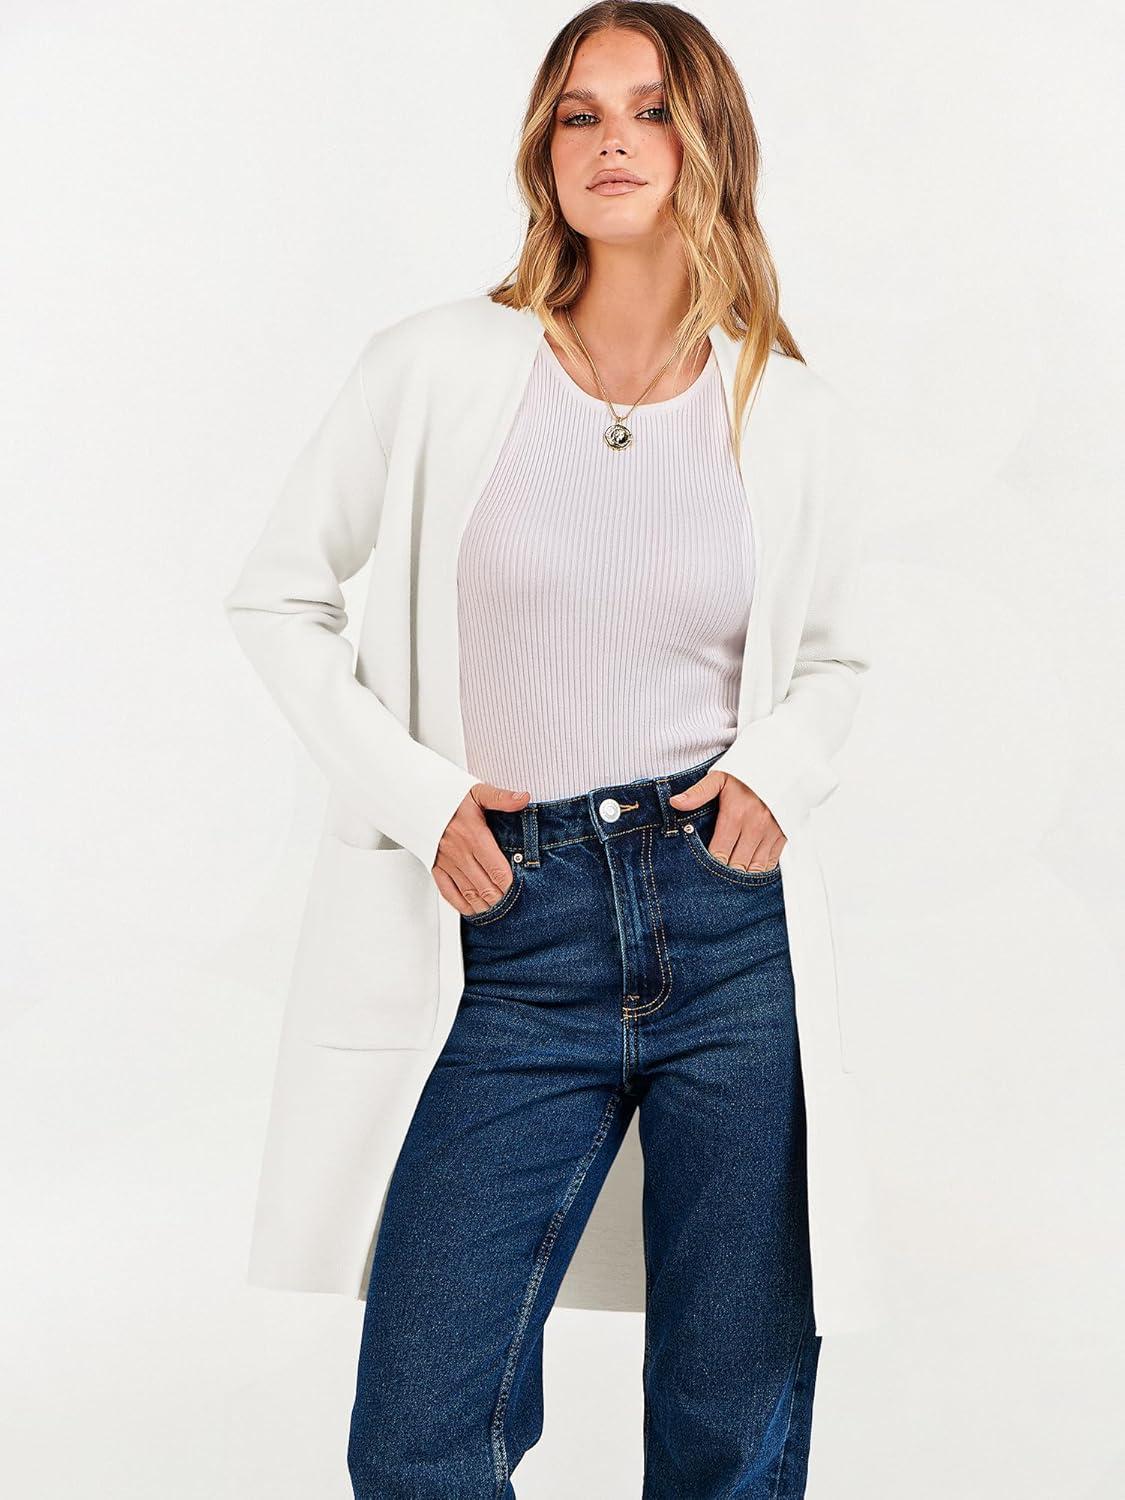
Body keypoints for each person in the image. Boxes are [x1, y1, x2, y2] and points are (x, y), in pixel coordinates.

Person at [226, 4, 875, 1496]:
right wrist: (419, 796)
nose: (612, 142)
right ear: (544, 148)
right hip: (506, 926)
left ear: (707, 145)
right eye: (581, 113)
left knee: (729, 1423)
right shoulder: (436, 367)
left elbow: (838, 659)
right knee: (420, 1432)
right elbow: (275, 598)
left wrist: (775, 773)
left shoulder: (790, 412)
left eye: (650, 111)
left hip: (727, 928)